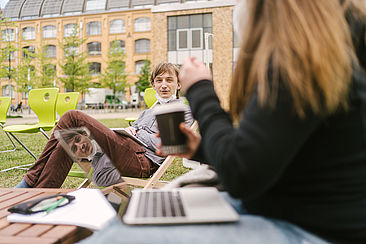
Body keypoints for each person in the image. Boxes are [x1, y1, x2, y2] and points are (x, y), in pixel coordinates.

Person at [79, 1, 366, 244]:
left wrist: (202, 90)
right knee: (127, 217)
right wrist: (201, 150)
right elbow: (261, 157)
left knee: (119, 234)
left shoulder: (299, 65)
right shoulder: (329, 57)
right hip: (284, 210)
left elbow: (241, 175)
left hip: (309, 230)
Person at [16, 62, 193, 188]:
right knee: (70, 138)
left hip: (141, 161)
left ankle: (28, 182)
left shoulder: (183, 112)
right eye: (159, 80)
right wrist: (131, 130)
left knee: (72, 117)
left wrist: (137, 133)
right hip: (126, 150)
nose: (164, 85)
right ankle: (43, 193)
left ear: (178, 84)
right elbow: (139, 132)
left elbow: (167, 146)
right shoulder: (147, 112)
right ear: (153, 85)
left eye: (169, 80)